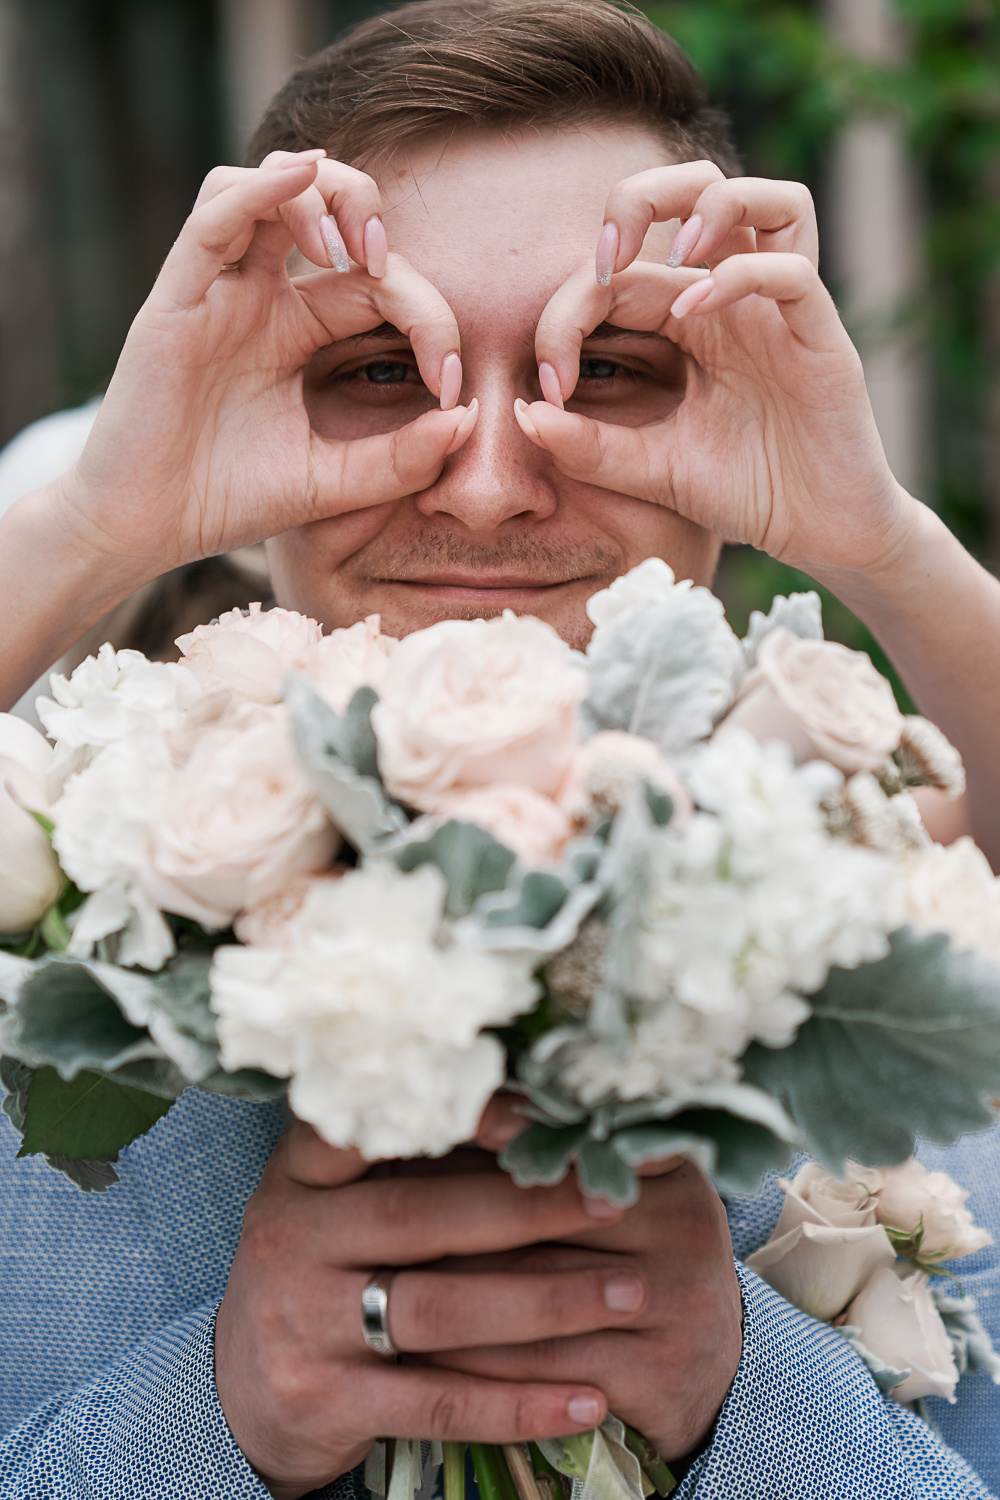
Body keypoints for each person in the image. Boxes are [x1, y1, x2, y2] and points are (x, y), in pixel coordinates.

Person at [1, 2, 999, 1496]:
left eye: (603, 368)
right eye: (382, 372)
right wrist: (105, 516)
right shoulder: (53, 899)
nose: (481, 490)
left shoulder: (902, 927)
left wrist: (878, 535)